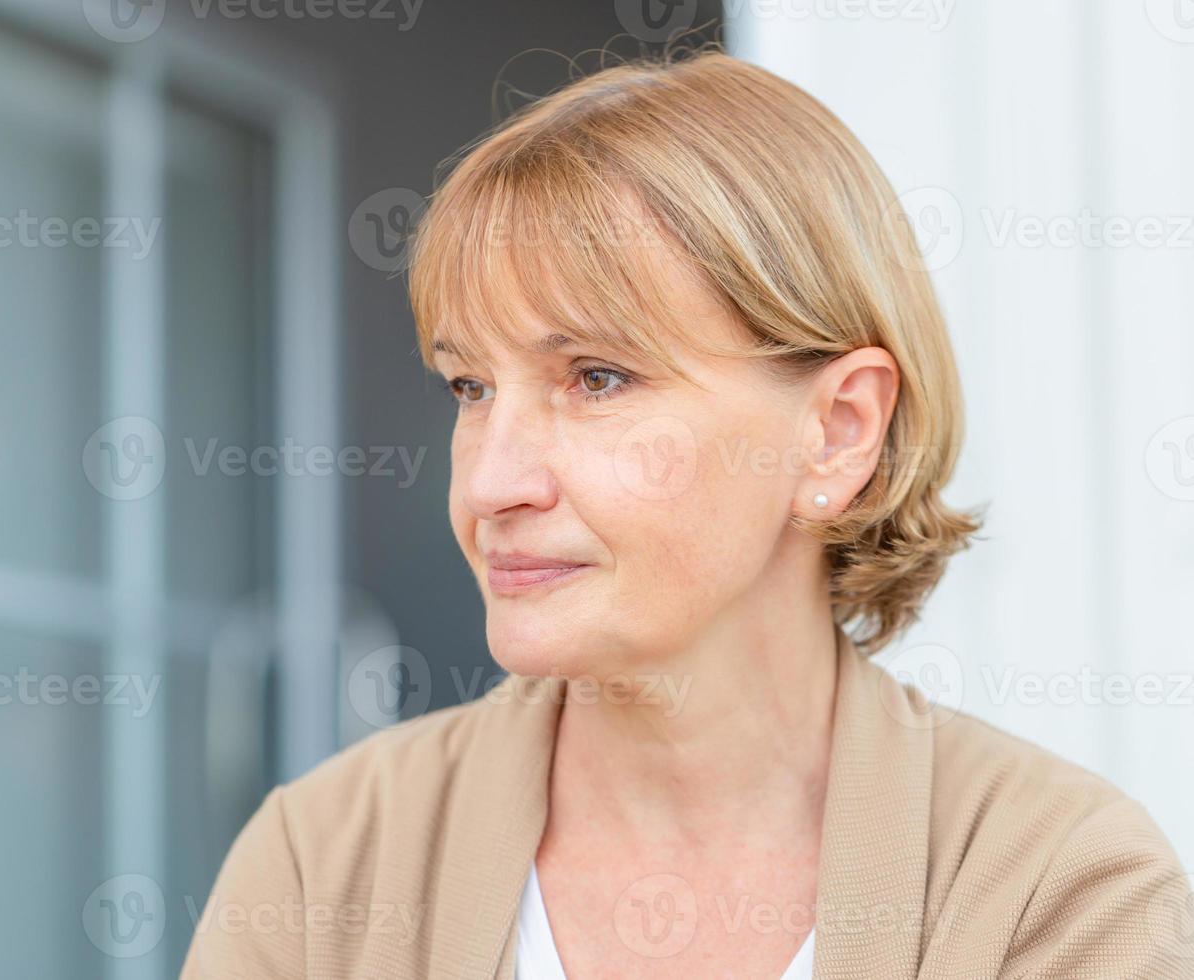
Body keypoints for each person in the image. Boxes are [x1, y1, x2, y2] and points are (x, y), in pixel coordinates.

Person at [181, 46, 1192, 979]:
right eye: (470, 386)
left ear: (839, 430)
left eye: (599, 378)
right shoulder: (323, 864)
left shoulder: (1056, 887)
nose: (492, 483)